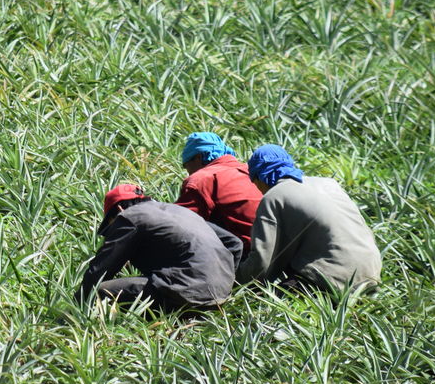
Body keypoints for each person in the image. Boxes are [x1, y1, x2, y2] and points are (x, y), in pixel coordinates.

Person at [237, 145, 381, 293]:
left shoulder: (274, 196)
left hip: (333, 278)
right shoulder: (328, 184)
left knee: (275, 303)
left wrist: (237, 282)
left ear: (259, 177)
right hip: (372, 271)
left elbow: (262, 262)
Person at [79, 184, 242, 310]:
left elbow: (99, 270)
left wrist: (75, 305)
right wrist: (225, 283)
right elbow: (234, 243)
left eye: (110, 225)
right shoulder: (180, 211)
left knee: (99, 292)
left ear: (119, 209)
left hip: (185, 291)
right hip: (221, 294)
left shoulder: (129, 217)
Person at [175, 132, 263, 254]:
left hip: (246, 254)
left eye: (186, 165)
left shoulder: (201, 179)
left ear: (199, 157)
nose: (187, 171)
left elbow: (177, 224)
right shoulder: (249, 170)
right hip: (276, 250)